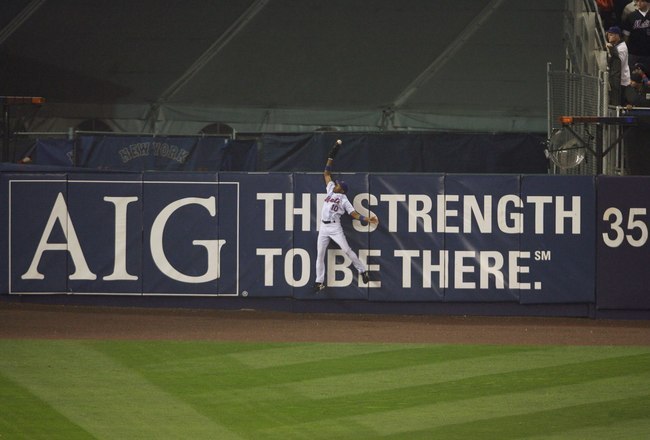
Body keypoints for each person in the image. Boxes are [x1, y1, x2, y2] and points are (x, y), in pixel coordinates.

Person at [314, 141, 378, 292]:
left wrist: (366, 219)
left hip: (335, 227)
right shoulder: (330, 190)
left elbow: (354, 214)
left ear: (341, 189)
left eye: (338, 185)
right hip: (323, 226)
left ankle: (363, 270)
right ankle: (319, 282)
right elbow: (327, 173)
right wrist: (332, 154)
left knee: (347, 250)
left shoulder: (343, 199)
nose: (335, 184)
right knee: (320, 255)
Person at [606, 26, 631, 105]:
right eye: (608, 34)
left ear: (617, 35)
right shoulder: (615, 46)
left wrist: (611, 48)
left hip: (621, 81)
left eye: (611, 34)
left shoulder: (622, 47)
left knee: (617, 104)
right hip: (616, 79)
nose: (609, 36)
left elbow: (618, 64)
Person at [622, 0, 650, 71]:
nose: (639, 3)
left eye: (642, 1)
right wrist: (625, 49)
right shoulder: (631, 16)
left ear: (647, 2)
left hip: (647, 53)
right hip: (633, 52)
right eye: (638, 1)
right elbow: (626, 35)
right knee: (633, 75)